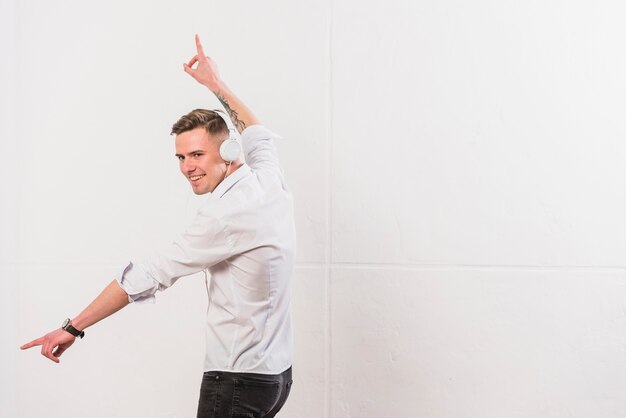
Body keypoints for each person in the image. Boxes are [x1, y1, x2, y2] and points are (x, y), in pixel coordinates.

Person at [20, 35, 295, 418]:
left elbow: (149, 273)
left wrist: (73, 327)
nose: (187, 167)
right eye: (181, 157)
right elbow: (257, 134)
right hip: (275, 378)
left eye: (197, 154)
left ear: (229, 152)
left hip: (236, 381)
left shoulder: (226, 215)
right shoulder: (268, 181)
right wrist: (215, 84)